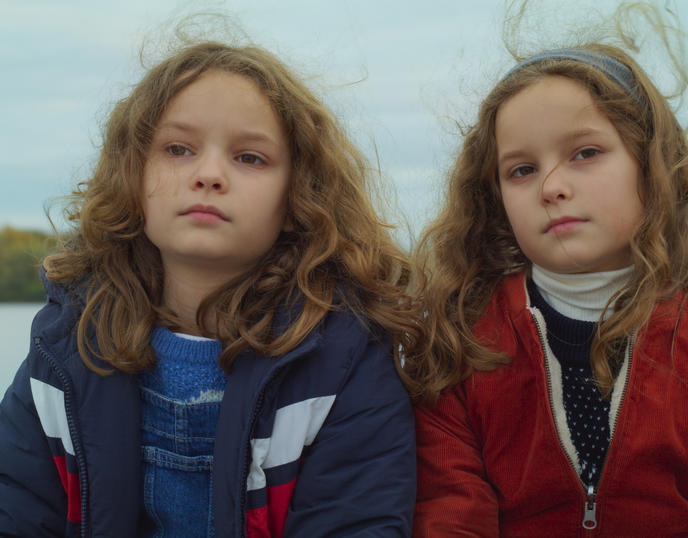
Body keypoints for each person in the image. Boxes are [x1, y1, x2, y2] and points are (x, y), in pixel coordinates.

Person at [0, 40, 418, 537]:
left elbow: (358, 521)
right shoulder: (66, 344)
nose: (209, 175)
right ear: (133, 178)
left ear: (297, 197)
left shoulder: (344, 359)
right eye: (178, 149)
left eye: (249, 157)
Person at [408, 34, 688, 537]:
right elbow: (449, 517)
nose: (551, 186)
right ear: (495, 198)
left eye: (585, 152)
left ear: (652, 166)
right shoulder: (458, 347)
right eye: (522, 169)